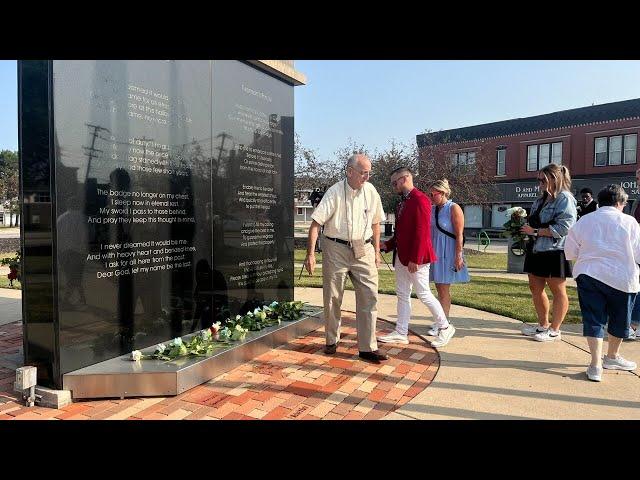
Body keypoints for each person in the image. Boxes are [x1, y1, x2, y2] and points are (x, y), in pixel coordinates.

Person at [303, 153, 388, 364]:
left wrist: (376, 252)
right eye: (363, 173)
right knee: (333, 297)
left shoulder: (371, 191)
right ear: (349, 172)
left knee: (370, 295)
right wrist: (311, 254)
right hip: (336, 248)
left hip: (364, 248)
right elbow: (316, 224)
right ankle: (331, 340)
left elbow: (377, 223)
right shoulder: (334, 192)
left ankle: (368, 348)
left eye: (369, 173)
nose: (367, 177)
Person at [564, 184, 639, 381]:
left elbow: (570, 251)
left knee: (593, 319)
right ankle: (612, 356)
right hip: (622, 277)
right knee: (620, 319)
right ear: (620, 203)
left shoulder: (584, 221)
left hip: (589, 274)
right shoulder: (630, 222)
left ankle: (595, 364)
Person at [377, 168, 453, 348]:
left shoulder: (420, 199)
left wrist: (416, 258)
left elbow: (422, 232)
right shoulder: (402, 202)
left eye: (395, 182)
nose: (393, 186)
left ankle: (445, 327)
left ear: (405, 179)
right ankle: (401, 332)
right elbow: (402, 232)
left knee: (424, 294)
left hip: (416, 259)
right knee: (402, 294)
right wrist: (387, 245)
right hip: (402, 257)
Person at [520, 163, 577, 342]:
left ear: (554, 179)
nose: (540, 183)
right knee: (535, 288)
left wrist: (535, 232)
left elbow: (565, 227)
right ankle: (543, 325)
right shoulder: (540, 199)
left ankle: (555, 329)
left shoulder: (564, 198)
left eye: (543, 179)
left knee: (558, 290)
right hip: (536, 249)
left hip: (555, 251)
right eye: (538, 179)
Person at [428, 179, 470, 327]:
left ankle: (444, 321)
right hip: (435, 251)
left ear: (443, 192)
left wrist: (458, 256)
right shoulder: (432, 209)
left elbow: (459, 234)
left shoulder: (454, 208)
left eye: (433, 194)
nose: (431, 197)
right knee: (438, 287)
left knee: (443, 288)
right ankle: (441, 320)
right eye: (430, 194)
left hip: (448, 251)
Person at [628, 167, 640, 340]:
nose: (638, 181)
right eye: (637, 178)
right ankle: (634, 324)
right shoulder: (638, 199)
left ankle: (634, 324)